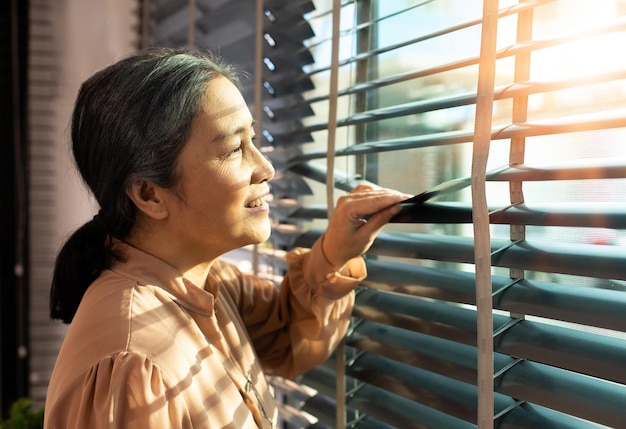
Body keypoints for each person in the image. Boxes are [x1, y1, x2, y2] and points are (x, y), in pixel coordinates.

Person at [44, 47, 408, 429]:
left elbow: (286, 337)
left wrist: (335, 252)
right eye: (235, 149)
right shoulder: (132, 366)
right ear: (150, 194)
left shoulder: (207, 284)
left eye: (253, 139)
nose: (265, 167)